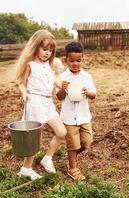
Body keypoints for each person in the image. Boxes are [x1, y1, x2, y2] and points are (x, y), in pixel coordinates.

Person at [16, 29, 66, 180]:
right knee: (34, 137)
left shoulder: (48, 66)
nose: (47, 53)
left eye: (51, 50)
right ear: (36, 47)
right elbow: (21, 84)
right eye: (44, 49)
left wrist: (67, 86)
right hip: (34, 102)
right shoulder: (30, 65)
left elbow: (55, 82)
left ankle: (47, 158)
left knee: (62, 132)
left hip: (47, 103)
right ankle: (26, 168)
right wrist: (24, 93)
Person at [56, 41, 96, 180]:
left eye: (79, 60)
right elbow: (59, 97)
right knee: (73, 144)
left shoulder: (87, 77)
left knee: (86, 142)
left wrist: (87, 92)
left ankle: (71, 157)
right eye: (71, 61)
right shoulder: (62, 77)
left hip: (84, 116)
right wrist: (63, 88)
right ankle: (72, 168)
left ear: (82, 59)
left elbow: (94, 95)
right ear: (66, 60)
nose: (75, 63)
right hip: (69, 117)